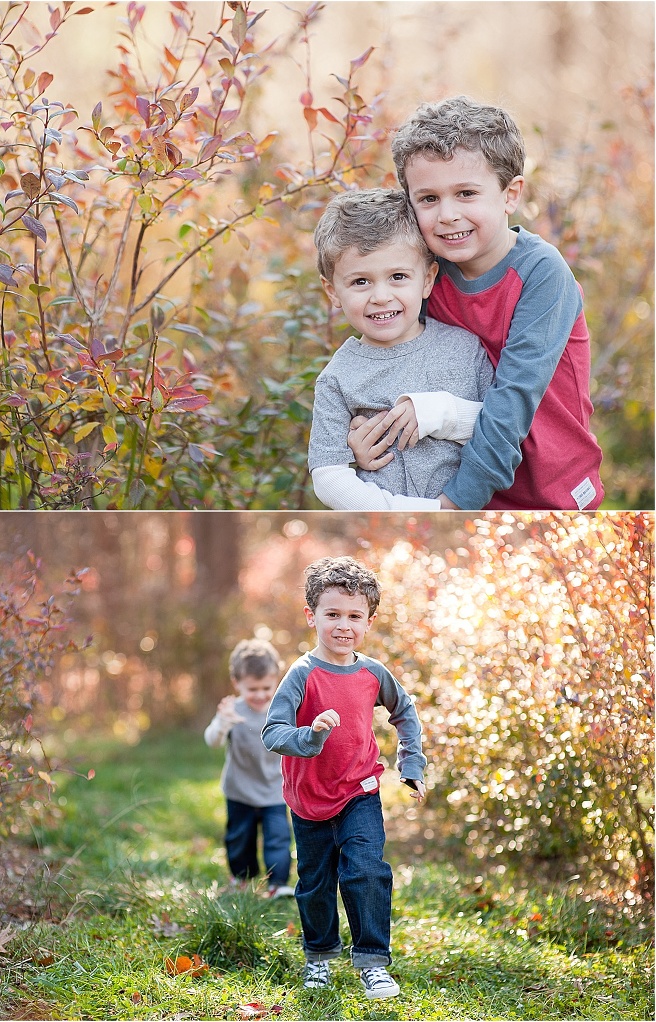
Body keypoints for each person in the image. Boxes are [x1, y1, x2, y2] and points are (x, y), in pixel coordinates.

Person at [348, 95, 604, 511]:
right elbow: (386, 365)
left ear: (510, 193)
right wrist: (363, 435)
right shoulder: (425, 275)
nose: (447, 214)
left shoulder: (542, 274)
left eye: (466, 193)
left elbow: (511, 404)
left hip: (548, 492)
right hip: (455, 485)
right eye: (428, 199)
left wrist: (456, 505)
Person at [261, 557, 426, 1000]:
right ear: (311, 615)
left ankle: (373, 962)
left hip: (360, 790)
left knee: (367, 871)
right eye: (332, 614)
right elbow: (272, 732)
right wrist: (311, 735)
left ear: (369, 621)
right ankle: (319, 957)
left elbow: (405, 713)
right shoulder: (302, 674)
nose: (343, 625)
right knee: (315, 882)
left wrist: (410, 765)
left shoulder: (372, 672)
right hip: (310, 798)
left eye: (354, 616)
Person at [309, 187, 495, 511]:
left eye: (397, 276)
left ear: (427, 279)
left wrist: (440, 413)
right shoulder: (337, 378)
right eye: (360, 282)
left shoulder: (464, 350)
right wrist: (399, 509)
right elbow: (328, 476)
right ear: (332, 291)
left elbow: (500, 429)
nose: (380, 296)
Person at [204, 638, 294, 898]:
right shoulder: (231, 710)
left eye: (266, 687)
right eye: (252, 689)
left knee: (278, 838)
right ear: (237, 683)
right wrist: (223, 723)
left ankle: (277, 883)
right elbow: (212, 740)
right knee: (239, 839)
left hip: (274, 790)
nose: (260, 695)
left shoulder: (282, 709)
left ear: (276, 680)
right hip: (240, 790)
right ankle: (242, 879)